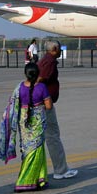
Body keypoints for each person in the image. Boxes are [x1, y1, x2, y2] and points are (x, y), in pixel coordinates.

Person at [0, 63, 53, 191]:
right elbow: (49, 106)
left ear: (26, 74)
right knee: (37, 149)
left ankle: (40, 179)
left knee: (28, 149)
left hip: (24, 123)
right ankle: (25, 181)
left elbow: (12, 106)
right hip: (38, 123)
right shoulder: (42, 87)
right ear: (37, 74)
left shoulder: (19, 88)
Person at [36, 40, 78, 179]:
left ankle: (45, 170)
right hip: (44, 104)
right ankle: (61, 170)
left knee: (44, 137)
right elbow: (40, 79)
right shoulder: (50, 62)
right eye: (59, 49)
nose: (60, 51)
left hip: (40, 103)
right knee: (53, 136)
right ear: (54, 49)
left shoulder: (44, 60)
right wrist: (41, 96)